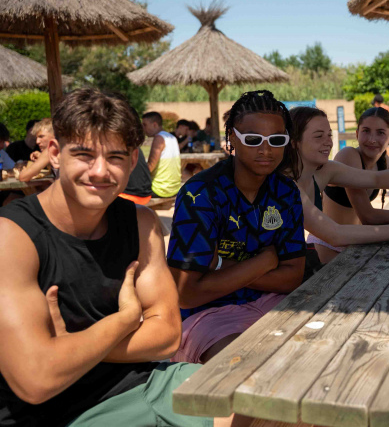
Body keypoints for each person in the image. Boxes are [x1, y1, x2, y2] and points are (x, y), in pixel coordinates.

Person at [0, 88, 229, 427]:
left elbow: (167, 334)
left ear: (133, 160)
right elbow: (35, 379)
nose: (99, 171)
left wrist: (70, 348)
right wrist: (125, 320)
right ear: (55, 154)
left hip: (148, 384)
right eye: (84, 155)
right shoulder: (12, 236)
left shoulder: (140, 223)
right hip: (59, 413)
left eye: (115, 158)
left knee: (265, 403)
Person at [167, 90, 306, 364]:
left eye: (276, 140)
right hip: (208, 316)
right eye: (253, 139)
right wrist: (265, 262)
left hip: (272, 302)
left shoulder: (286, 192)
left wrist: (221, 266)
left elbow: (292, 277)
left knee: (314, 356)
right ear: (232, 137)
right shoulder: (200, 194)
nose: (266, 150)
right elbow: (187, 293)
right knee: (244, 368)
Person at [289, 106, 389, 264]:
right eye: (319, 136)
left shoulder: (326, 169)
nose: (329, 142)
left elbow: (375, 179)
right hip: (324, 248)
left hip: (348, 243)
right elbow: (336, 234)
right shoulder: (287, 185)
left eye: (329, 135)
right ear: (294, 142)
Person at [324, 107, 389, 227]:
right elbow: (368, 217)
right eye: (366, 131)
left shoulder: (383, 162)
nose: (372, 140)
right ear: (357, 134)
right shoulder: (348, 155)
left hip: (357, 237)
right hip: (329, 239)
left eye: (380, 133)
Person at [142, 112, 182, 198]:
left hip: (160, 190)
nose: (143, 128)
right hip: (175, 188)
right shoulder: (172, 138)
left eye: (145, 125)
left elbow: (150, 168)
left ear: (154, 125)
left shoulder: (159, 139)